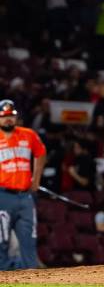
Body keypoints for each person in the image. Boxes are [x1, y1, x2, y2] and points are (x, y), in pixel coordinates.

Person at [0, 100, 46, 270]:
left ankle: (30, 276)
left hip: (25, 196)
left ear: (16, 117)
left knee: (29, 238)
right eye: (4, 117)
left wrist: (36, 179)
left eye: (11, 116)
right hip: (2, 195)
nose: (8, 120)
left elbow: (40, 153)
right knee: (1, 240)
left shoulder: (28, 134)